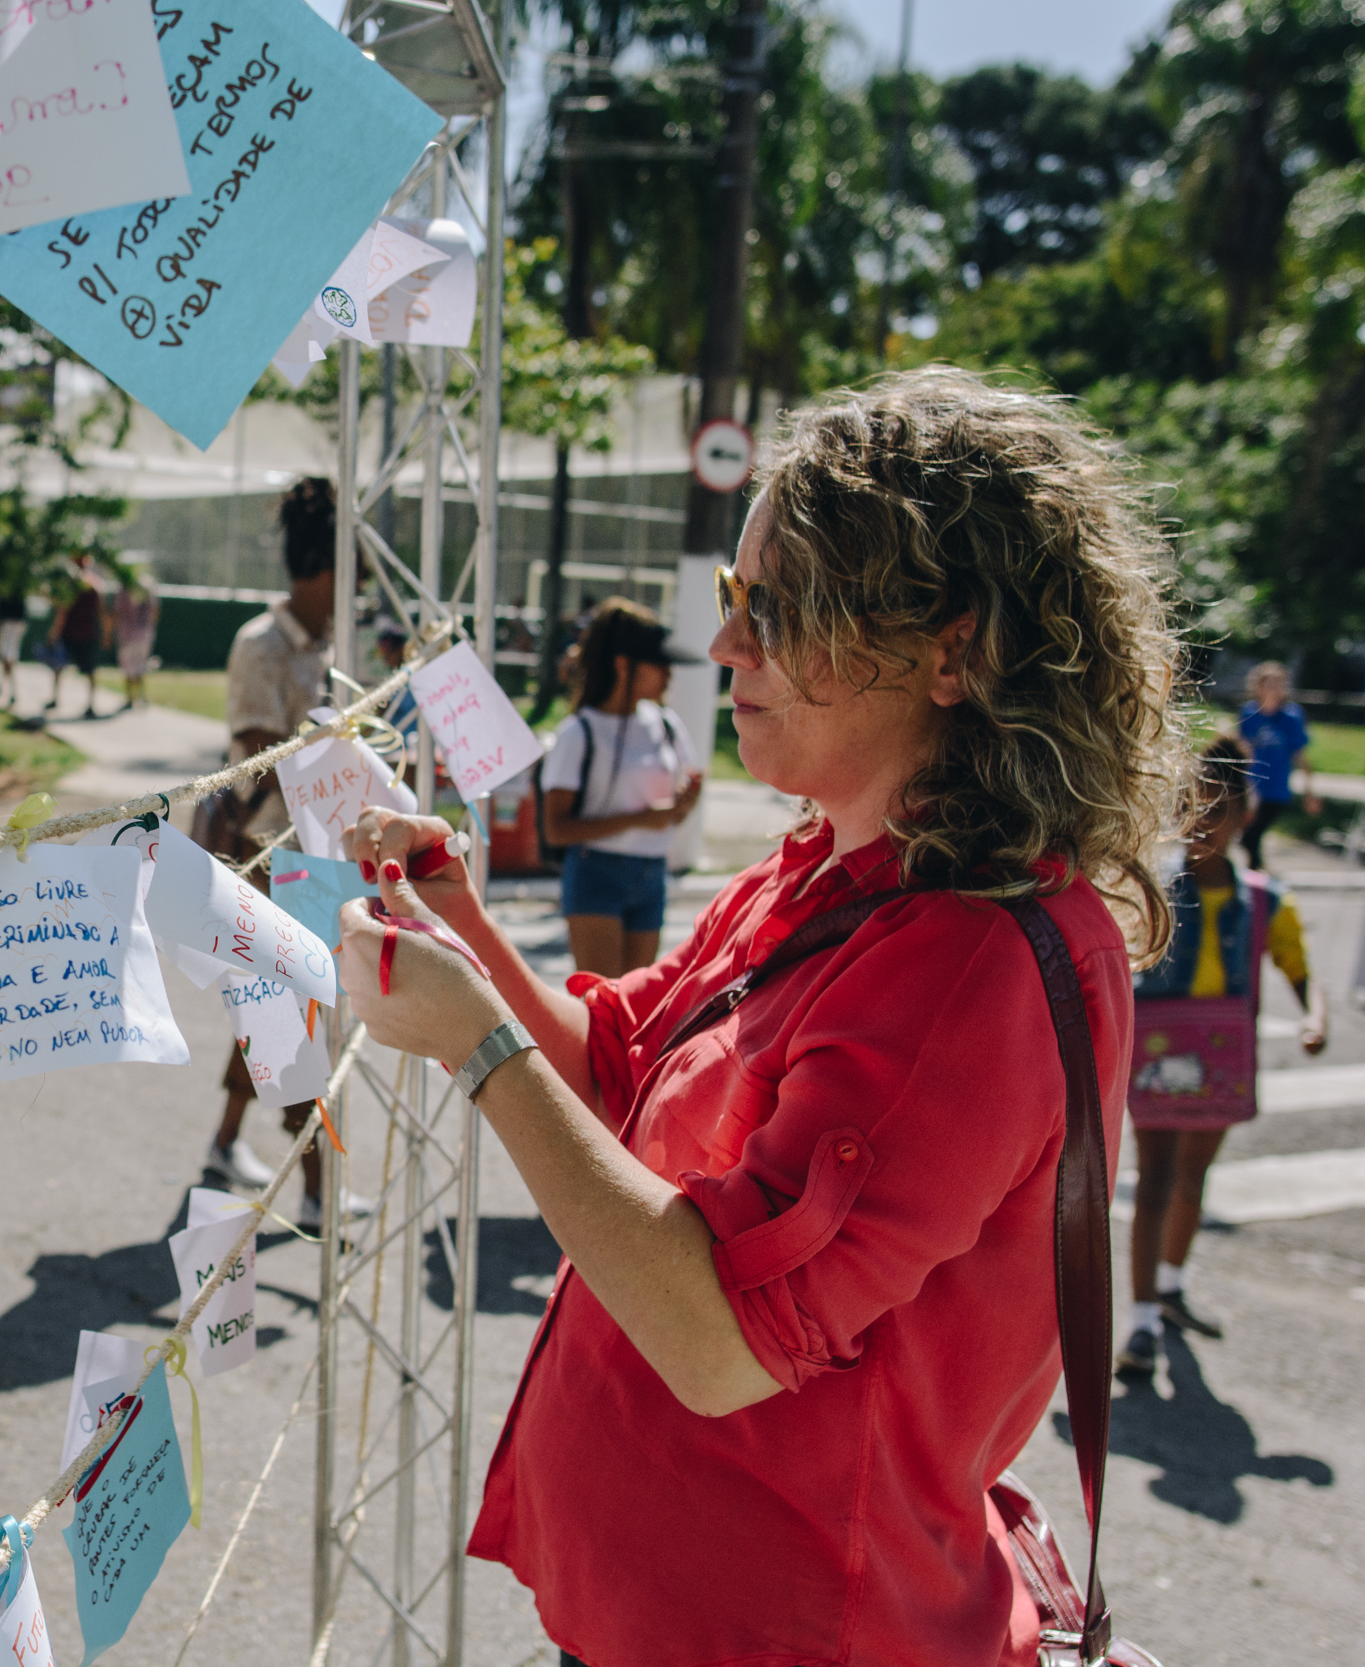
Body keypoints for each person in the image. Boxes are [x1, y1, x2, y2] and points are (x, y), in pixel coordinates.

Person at [334, 369, 1180, 1666]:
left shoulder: (967, 961)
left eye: (774, 610)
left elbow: (722, 1344)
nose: (727, 647)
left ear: (950, 649)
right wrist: (461, 922)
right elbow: (620, 1076)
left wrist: (476, 1040)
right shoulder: (837, 868)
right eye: (737, 600)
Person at [1117, 735, 1325, 1376]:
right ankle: (1143, 1320)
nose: (1204, 825)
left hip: (1222, 1055)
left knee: (1192, 1179)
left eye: (1218, 811)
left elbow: (1297, 967)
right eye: (1194, 810)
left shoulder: (1265, 899)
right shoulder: (1152, 892)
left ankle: (1173, 1287)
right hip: (1158, 1054)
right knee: (1154, 1181)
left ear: (1244, 817)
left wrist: (1315, 1017)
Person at [207, 478, 370, 1231]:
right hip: (272, 859)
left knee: (279, 1020)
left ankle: (224, 1142)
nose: (359, 593)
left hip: (323, 858)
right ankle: (316, 1188)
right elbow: (248, 765)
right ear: (324, 571)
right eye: (354, 576)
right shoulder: (260, 644)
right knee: (296, 1033)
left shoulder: (338, 649)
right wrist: (317, 743)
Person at [537, 599, 704, 977]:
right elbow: (557, 829)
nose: (669, 674)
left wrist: (683, 804)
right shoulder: (579, 733)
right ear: (622, 664)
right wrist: (644, 818)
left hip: (652, 872)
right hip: (597, 870)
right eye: (658, 663)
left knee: (635, 1009)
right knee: (603, 1005)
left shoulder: (665, 724)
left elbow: (681, 795)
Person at [1237, 660, 1319, 868]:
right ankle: (1257, 875)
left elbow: (1300, 754)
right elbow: (1242, 749)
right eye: (1267, 683)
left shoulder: (1291, 717)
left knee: (1251, 836)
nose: (1271, 689)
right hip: (1252, 787)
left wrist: (1310, 792)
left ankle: (1258, 878)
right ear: (1257, 686)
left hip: (1276, 787)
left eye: (1276, 684)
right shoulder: (1249, 713)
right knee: (1246, 836)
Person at [47, 552, 106, 717]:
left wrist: (53, 634)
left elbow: (62, 613)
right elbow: (102, 612)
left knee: (60, 667)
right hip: (86, 634)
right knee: (88, 670)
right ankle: (90, 704)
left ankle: (55, 699)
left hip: (72, 633)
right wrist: (106, 634)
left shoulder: (71, 585)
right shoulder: (94, 586)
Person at [110, 575, 159, 711]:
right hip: (144, 634)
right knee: (140, 667)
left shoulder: (123, 590)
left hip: (127, 635)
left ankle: (131, 698)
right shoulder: (147, 587)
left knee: (129, 668)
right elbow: (155, 611)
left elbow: (116, 613)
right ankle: (141, 697)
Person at [0, 579, 28, 708]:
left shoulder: (5, 575)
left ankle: (7, 690)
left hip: (9, 622)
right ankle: (4, 689)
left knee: (7, 657)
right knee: (7, 657)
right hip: (15, 621)